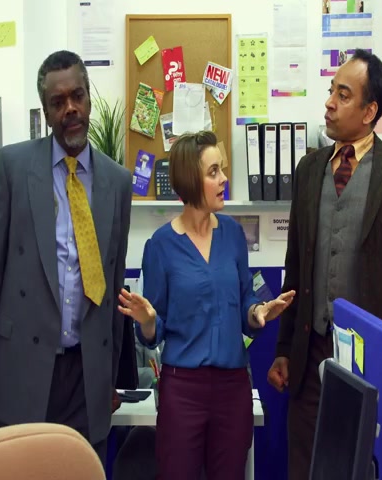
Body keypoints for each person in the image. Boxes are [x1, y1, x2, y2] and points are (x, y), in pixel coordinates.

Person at [267, 49, 382, 479]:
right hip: (312, 355)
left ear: (369, 112)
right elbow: (295, 267)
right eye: (331, 91)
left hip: (378, 360)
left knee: (368, 468)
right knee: (306, 466)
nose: (329, 103)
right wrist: (284, 349)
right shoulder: (309, 169)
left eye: (343, 95)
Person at [0, 49, 133, 463]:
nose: (70, 108)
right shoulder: (14, 168)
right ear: (47, 111)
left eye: (77, 96)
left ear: (88, 98)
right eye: (58, 102)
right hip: (23, 367)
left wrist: (111, 376)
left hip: (86, 376)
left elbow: (112, 287)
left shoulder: (117, 182)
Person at [117, 130, 296, 480]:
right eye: (214, 171)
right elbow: (153, 333)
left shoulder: (233, 235)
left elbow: (245, 302)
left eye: (222, 169)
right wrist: (148, 320)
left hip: (233, 388)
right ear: (190, 179)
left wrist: (257, 312)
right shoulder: (161, 246)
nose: (224, 179)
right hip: (182, 390)